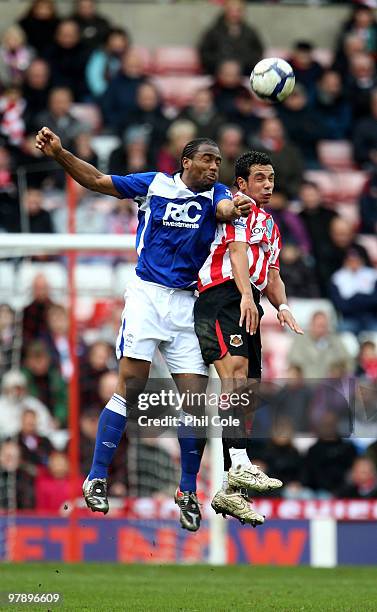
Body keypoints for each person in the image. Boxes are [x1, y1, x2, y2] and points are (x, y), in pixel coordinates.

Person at [35, 126, 253, 531]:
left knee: (194, 401)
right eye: (207, 159)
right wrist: (61, 154)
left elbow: (226, 210)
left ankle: (187, 490)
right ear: (186, 161)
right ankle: (97, 476)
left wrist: (236, 207)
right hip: (147, 297)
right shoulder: (154, 184)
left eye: (219, 162)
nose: (214, 167)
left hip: (187, 302)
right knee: (130, 388)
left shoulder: (217, 195)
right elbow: (98, 181)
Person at [194, 150, 303, 524]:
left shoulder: (271, 224)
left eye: (271, 178)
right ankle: (240, 463)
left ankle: (229, 488)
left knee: (248, 391)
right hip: (221, 295)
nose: (268, 184)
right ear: (241, 183)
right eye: (260, 178)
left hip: (249, 300)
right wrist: (244, 295)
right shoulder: (235, 205)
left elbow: (272, 274)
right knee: (235, 376)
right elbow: (237, 253)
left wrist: (283, 307)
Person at [198, 0, 263, 76]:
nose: (234, 14)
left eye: (238, 10)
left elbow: (257, 53)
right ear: (225, 10)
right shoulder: (213, 32)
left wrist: (240, 66)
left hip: (244, 76)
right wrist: (221, 66)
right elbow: (205, 54)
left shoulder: (250, 33)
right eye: (231, 10)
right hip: (217, 77)